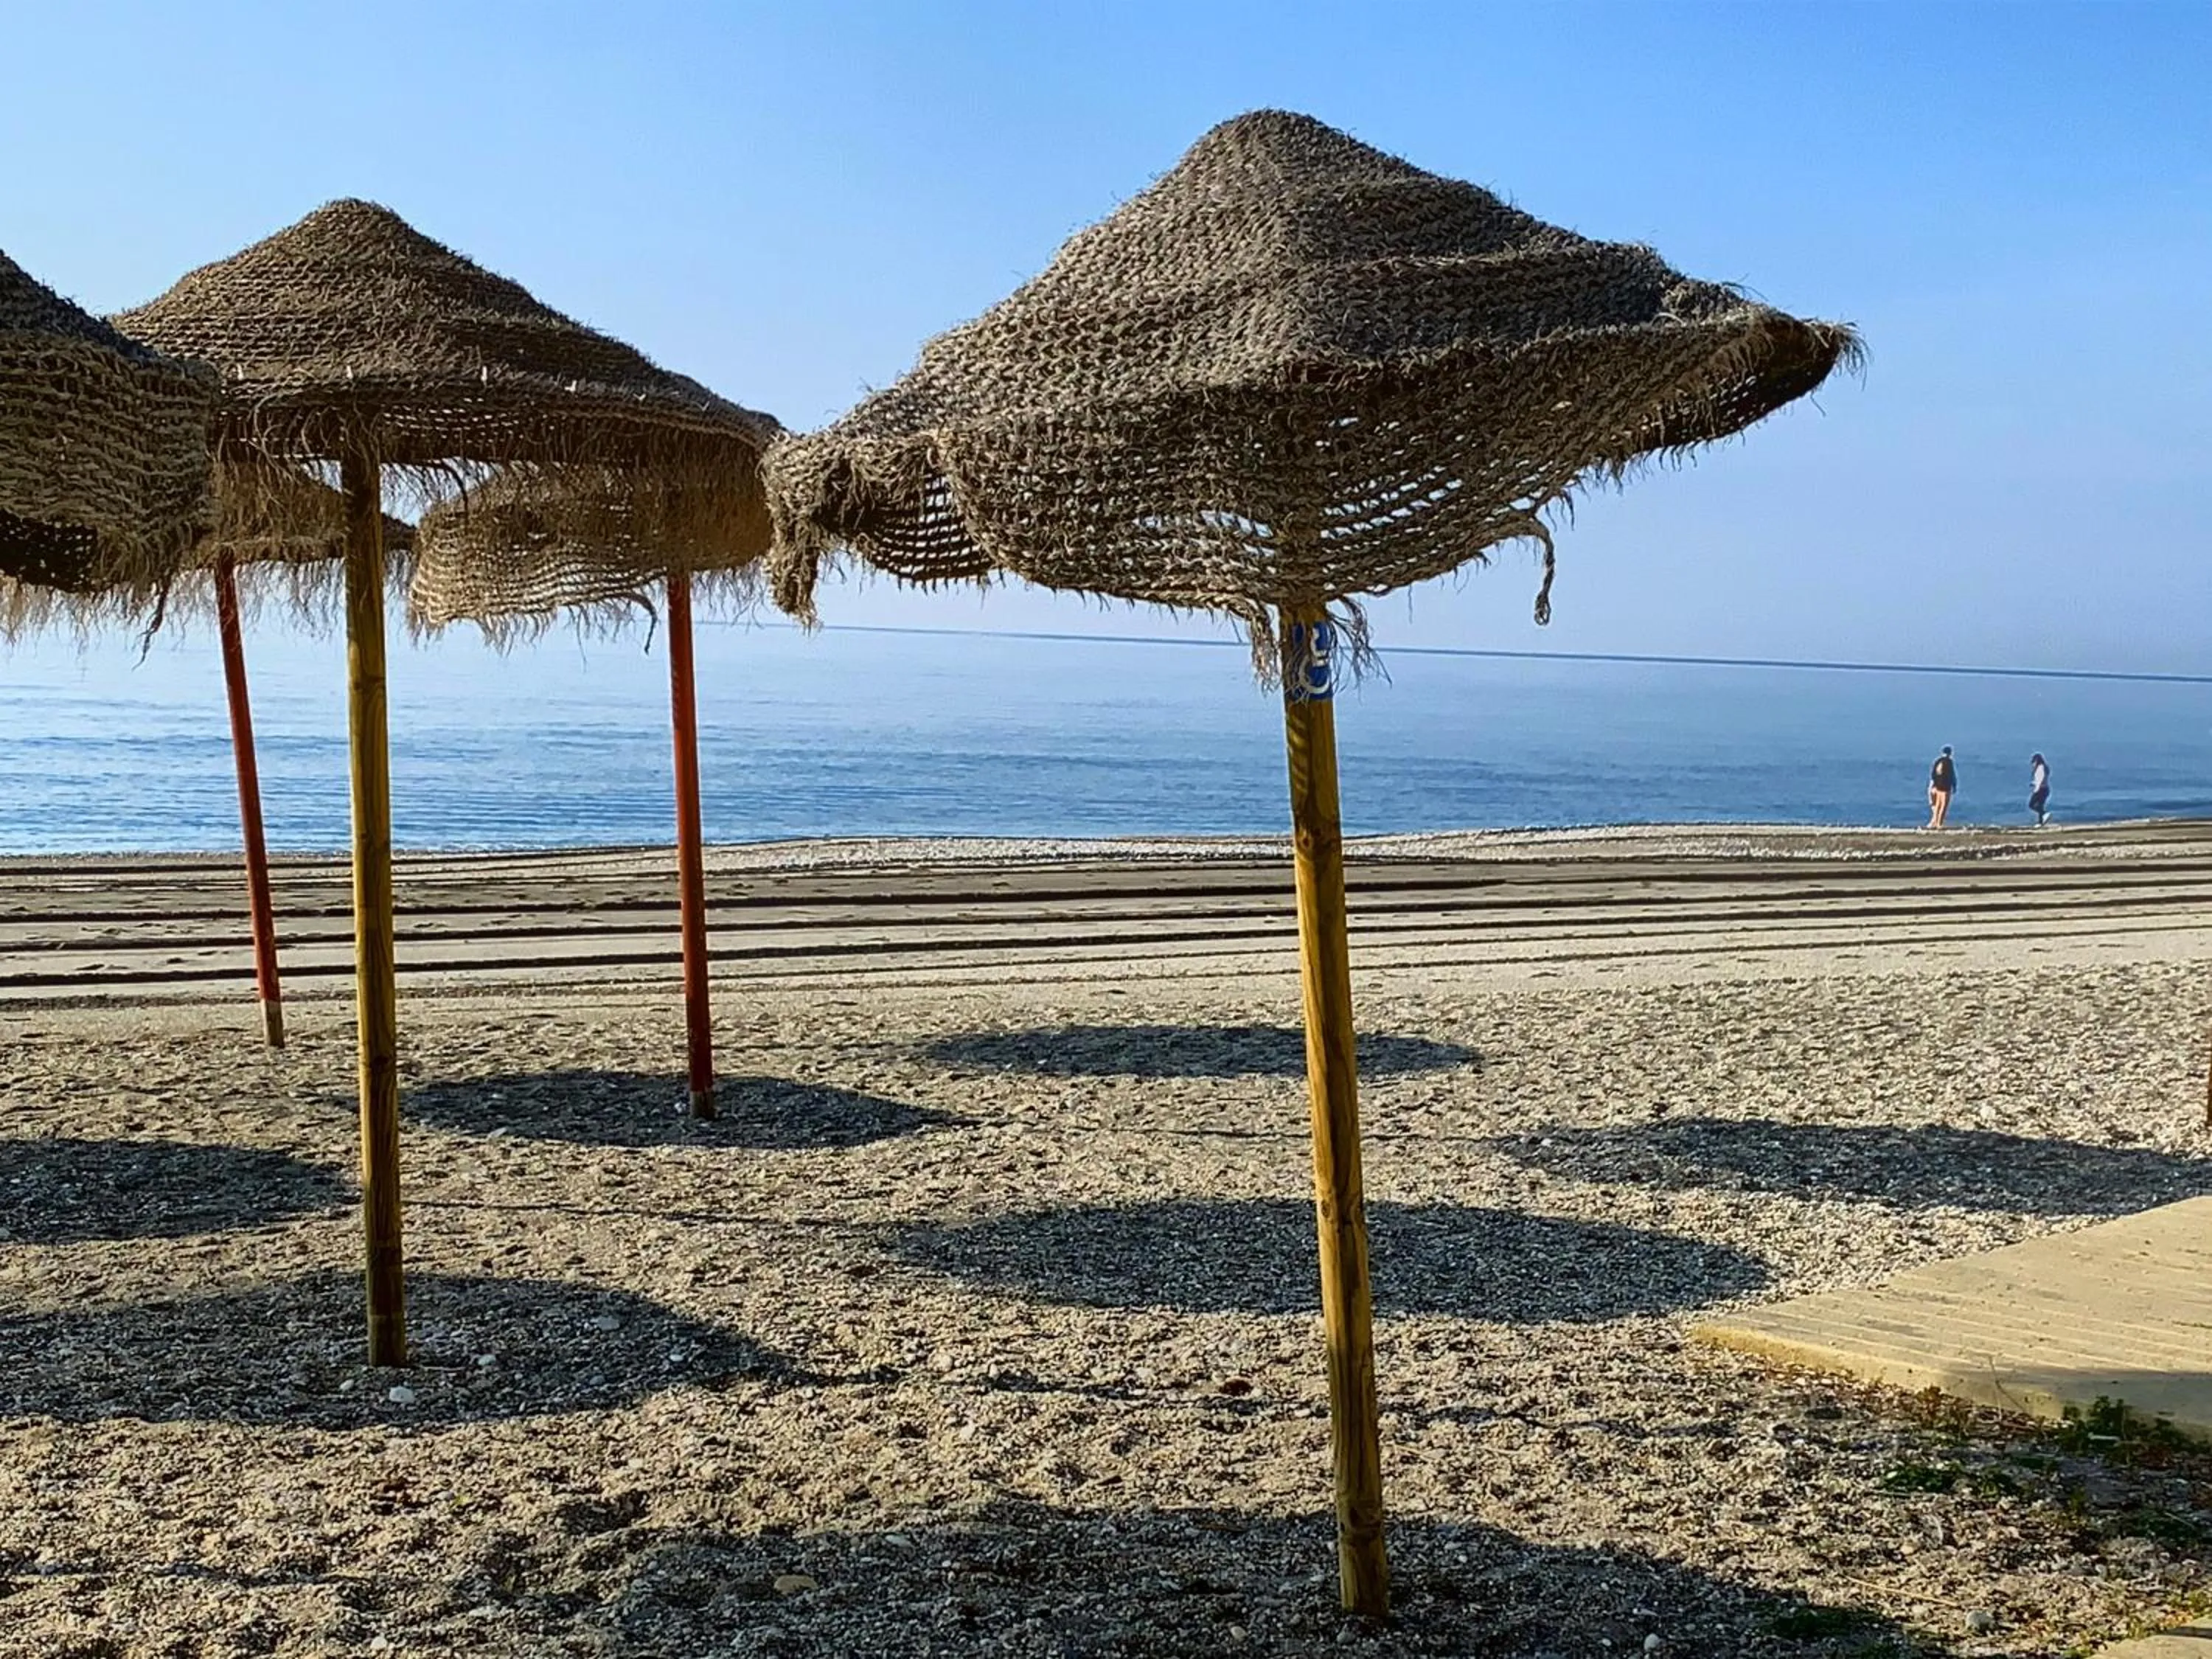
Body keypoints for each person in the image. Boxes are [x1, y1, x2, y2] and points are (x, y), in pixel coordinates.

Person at [1927, 745, 1958, 829]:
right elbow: (1951, 775)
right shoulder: (1949, 762)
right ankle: (1939, 823)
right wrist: (1954, 785)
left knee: (1938, 805)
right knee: (1944, 805)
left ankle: (1935, 821)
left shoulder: (1937, 761)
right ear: (1950, 753)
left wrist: (1934, 785)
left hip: (1937, 786)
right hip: (1946, 786)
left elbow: (1933, 774)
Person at [2029, 753, 2051, 827]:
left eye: (2034, 762)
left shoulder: (2040, 768)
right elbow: (2042, 778)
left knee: (2031, 804)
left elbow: (2041, 779)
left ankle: (2045, 814)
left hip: (2041, 789)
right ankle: (2040, 823)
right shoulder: (2044, 767)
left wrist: (2037, 788)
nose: (2033, 764)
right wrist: (2034, 783)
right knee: (2040, 806)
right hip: (2045, 789)